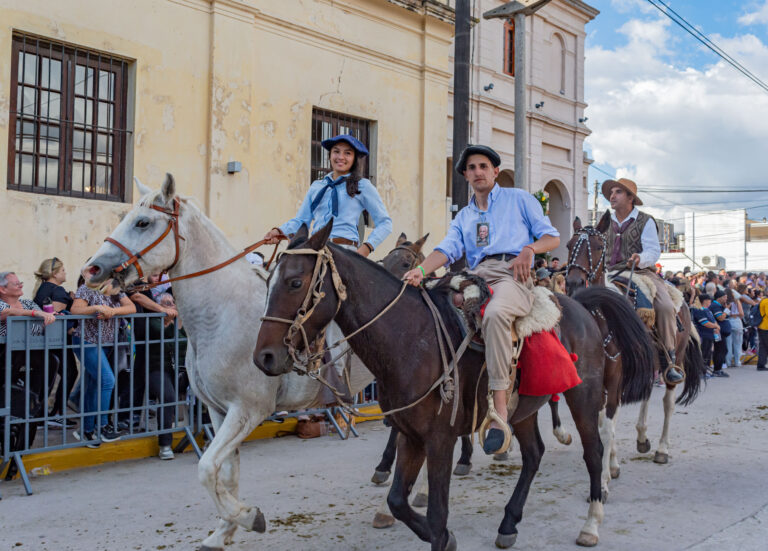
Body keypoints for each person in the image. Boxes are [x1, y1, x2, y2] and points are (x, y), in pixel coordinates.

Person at [403, 144, 560, 455]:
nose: (478, 172)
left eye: (483, 166)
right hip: (475, 275)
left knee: (496, 314)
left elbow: (552, 236)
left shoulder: (518, 199)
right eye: (471, 168)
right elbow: (447, 250)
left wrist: (529, 250)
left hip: (512, 273)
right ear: (465, 176)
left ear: (495, 172)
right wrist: (419, 270)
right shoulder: (465, 215)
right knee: (430, 308)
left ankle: (499, 412)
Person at [601, 178, 684, 385]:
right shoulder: (604, 221)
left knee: (664, 306)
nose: (612, 195)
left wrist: (640, 258)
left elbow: (653, 251)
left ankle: (668, 360)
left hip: (640, 272)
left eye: (618, 192)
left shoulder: (645, 220)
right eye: (611, 192)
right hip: (608, 273)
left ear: (631, 198)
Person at [263, 134, 392, 257]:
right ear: (330, 155)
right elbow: (302, 221)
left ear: (354, 159)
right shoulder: (317, 186)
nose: (341, 157)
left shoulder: (363, 186)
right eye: (336, 151)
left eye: (347, 153)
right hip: (314, 250)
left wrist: (367, 247)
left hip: (345, 251)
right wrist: (279, 232)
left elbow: (385, 223)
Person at [70, 279, 136, 447]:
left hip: (106, 343)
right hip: (87, 340)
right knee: (107, 380)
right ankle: (103, 425)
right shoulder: (87, 289)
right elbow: (75, 310)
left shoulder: (116, 290)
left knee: (94, 385)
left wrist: (112, 311)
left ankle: (86, 430)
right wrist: (96, 308)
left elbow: (132, 308)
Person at [32, 258, 78, 427]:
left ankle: (41, 414)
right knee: (69, 373)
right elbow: (57, 315)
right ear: (54, 273)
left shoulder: (43, 289)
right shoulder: (57, 290)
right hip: (56, 341)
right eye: (63, 270)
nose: (65, 272)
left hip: (44, 341)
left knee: (49, 375)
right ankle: (55, 414)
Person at [692, 293, 717, 374]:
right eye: (709, 300)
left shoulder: (708, 310)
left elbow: (713, 320)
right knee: (703, 353)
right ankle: (700, 370)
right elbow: (705, 323)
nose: (710, 302)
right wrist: (716, 326)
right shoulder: (699, 309)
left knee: (708, 353)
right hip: (703, 334)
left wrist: (716, 327)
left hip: (710, 334)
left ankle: (706, 369)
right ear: (705, 301)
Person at [708, 290, 730, 378]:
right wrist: (727, 309)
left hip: (721, 333)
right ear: (719, 298)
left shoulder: (719, 305)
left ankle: (718, 369)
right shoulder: (715, 306)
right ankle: (717, 370)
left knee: (722, 350)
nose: (726, 299)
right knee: (721, 350)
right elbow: (720, 318)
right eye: (725, 297)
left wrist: (725, 308)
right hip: (718, 332)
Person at [726, 287, 744, 367]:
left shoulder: (725, 302)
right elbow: (741, 313)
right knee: (738, 343)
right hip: (737, 321)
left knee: (728, 344)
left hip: (728, 321)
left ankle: (728, 362)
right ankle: (737, 362)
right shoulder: (737, 301)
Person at [756, 289, 768, 372]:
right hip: (766, 327)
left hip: (763, 326)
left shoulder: (763, 300)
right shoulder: (766, 301)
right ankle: (761, 364)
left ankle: (761, 364)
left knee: (763, 346)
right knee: (764, 346)